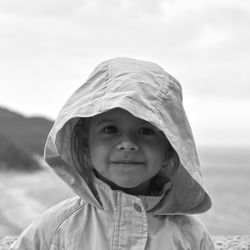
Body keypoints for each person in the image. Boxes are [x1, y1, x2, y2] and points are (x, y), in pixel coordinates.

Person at [10, 57, 215, 249]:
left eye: (146, 131)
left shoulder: (190, 237)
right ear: (85, 144)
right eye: (110, 130)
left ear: (169, 149)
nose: (127, 144)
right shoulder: (54, 229)